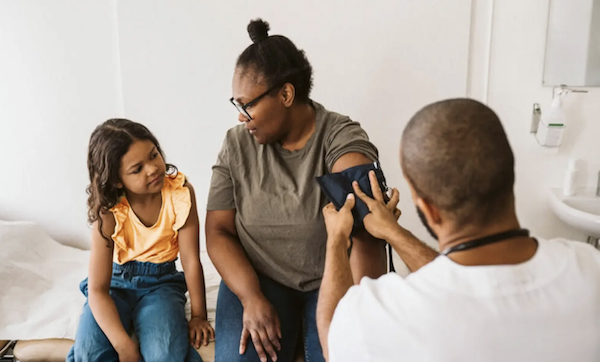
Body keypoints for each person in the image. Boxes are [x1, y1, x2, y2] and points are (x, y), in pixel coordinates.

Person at [317, 98, 600, 361]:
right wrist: (393, 232)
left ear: (427, 208)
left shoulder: (391, 313)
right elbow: (463, 277)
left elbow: (333, 339)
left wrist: (336, 239)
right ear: (510, 176)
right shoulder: (590, 268)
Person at [206, 19, 387, 362]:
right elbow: (218, 231)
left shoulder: (340, 138)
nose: (242, 117)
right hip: (259, 277)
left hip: (330, 279)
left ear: (286, 94)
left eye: (248, 105)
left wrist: (361, 317)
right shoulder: (236, 145)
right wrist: (251, 297)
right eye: (237, 105)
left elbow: (366, 230)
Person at [67, 119, 214, 362]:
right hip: (114, 285)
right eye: (137, 169)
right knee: (89, 354)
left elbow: (190, 260)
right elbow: (97, 290)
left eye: (154, 155)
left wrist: (198, 315)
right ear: (116, 180)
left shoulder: (179, 192)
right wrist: (124, 346)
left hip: (161, 284)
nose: (153, 168)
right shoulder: (108, 211)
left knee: (165, 354)